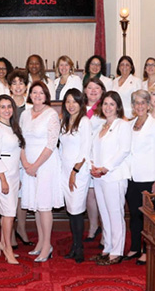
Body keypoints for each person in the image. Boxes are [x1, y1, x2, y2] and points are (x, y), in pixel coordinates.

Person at [20, 81, 63, 263]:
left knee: (44, 206)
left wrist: (35, 165)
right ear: (30, 95)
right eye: (34, 92)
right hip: (28, 164)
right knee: (36, 205)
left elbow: (51, 144)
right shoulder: (24, 114)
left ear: (46, 96)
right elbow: (20, 140)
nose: (37, 96)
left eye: (41, 93)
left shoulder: (51, 114)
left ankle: (47, 245)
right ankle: (40, 242)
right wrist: (25, 163)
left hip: (45, 164)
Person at [89, 91, 131, 266]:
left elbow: (124, 150)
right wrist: (92, 166)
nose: (108, 107)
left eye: (111, 104)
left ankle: (117, 251)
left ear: (118, 106)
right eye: (105, 104)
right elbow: (93, 149)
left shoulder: (123, 125)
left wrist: (106, 168)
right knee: (104, 214)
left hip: (114, 176)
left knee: (115, 213)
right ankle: (107, 247)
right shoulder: (100, 126)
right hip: (98, 177)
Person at [126, 90, 155, 265]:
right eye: (136, 103)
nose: (139, 106)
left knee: (146, 217)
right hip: (131, 176)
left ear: (148, 105)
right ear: (133, 106)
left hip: (148, 177)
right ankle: (134, 247)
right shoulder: (129, 124)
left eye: (143, 103)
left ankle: (146, 250)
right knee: (134, 214)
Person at [0, 95, 26, 265]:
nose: (6, 110)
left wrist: (16, 176)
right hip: (1, 175)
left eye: (9, 107)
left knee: (8, 213)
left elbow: (16, 154)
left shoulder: (12, 127)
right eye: (2, 107)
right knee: (9, 213)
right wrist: (3, 180)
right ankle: (7, 248)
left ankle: (3, 243)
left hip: (13, 174)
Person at [59, 89, 92, 263]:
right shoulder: (65, 122)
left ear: (81, 103)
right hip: (64, 171)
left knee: (77, 210)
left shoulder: (84, 122)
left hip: (78, 172)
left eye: (74, 101)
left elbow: (85, 150)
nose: (71, 105)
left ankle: (79, 248)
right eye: (68, 101)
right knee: (71, 211)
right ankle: (74, 246)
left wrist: (74, 171)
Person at [83, 77, 107, 242]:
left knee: (102, 196)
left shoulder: (106, 109)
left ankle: (106, 232)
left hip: (101, 158)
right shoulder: (78, 108)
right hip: (84, 159)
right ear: (85, 90)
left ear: (102, 91)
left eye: (96, 88)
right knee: (89, 195)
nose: (93, 91)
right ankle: (93, 226)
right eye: (90, 87)